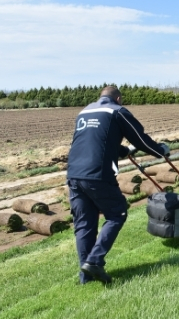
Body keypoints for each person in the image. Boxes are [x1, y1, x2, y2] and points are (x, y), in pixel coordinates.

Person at [66, 85, 169, 284]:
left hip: (74, 173)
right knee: (117, 213)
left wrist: (123, 151)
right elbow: (141, 139)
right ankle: (95, 262)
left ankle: (85, 277)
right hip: (97, 173)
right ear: (119, 99)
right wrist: (160, 151)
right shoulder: (118, 111)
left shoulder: (84, 112)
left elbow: (96, 141)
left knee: (84, 224)